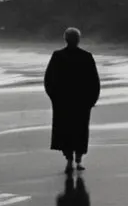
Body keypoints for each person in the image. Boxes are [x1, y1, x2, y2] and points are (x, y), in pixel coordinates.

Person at [43, 27, 100, 173]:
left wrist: (54, 97)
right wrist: (92, 99)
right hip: (81, 101)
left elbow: (48, 80)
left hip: (63, 101)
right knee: (80, 130)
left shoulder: (58, 56)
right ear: (78, 39)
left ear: (65, 39)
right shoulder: (86, 56)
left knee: (66, 131)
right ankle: (78, 160)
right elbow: (94, 81)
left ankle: (69, 161)